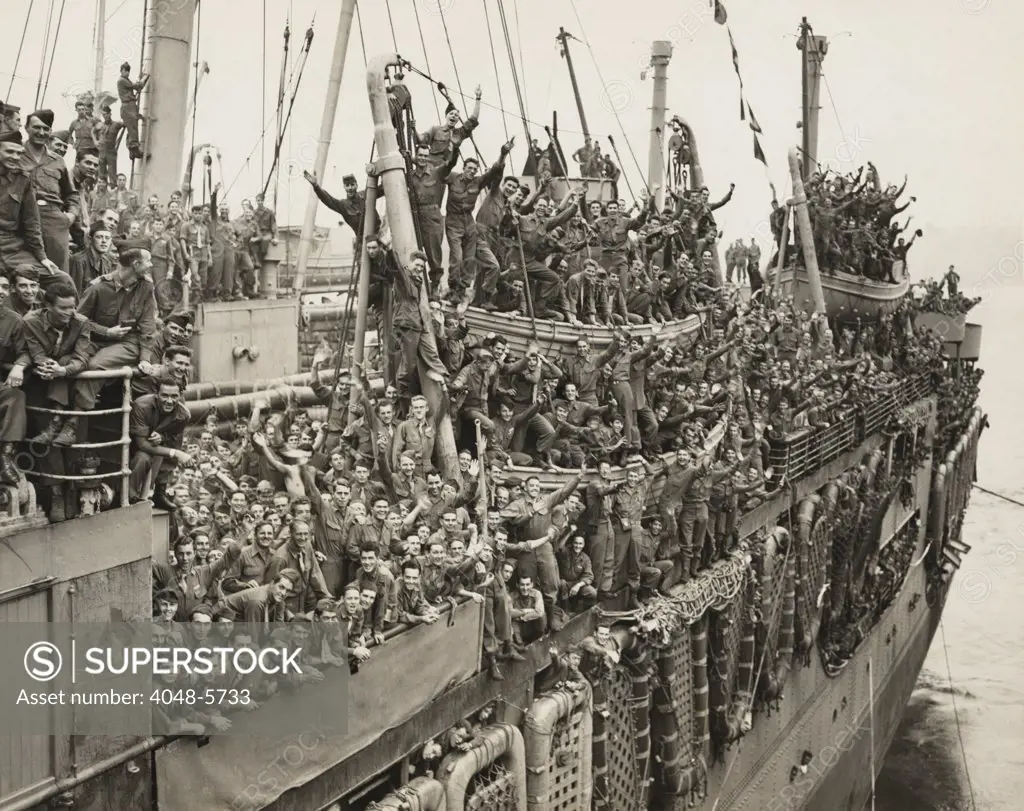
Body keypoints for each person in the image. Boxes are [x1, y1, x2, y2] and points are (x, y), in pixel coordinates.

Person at [128, 376, 191, 502]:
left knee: (158, 458)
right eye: (164, 395)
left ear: (180, 396)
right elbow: (141, 444)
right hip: (133, 446)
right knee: (143, 458)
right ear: (156, 394)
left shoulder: (183, 415)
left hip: (158, 450)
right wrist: (176, 453)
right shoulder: (141, 405)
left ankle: (156, 493)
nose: (169, 401)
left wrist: (162, 437)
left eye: (174, 396)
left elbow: (173, 439)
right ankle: (130, 497)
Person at [116, 62, 148, 160]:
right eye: (125, 71)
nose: (127, 73)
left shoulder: (125, 80)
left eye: (128, 71)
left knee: (131, 129)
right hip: (128, 106)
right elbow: (138, 85)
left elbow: (135, 85)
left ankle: (132, 151)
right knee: (133, 129)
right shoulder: (122, 80)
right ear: (121, 70)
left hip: (130, 106)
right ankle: (135, 151)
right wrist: (145, 77)